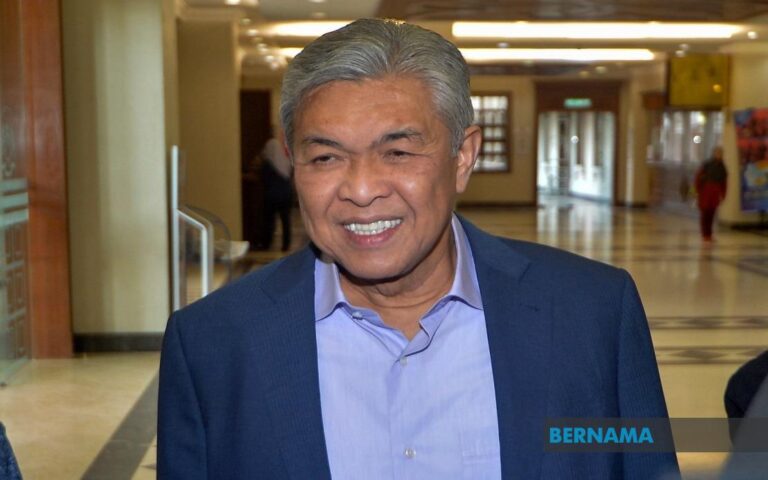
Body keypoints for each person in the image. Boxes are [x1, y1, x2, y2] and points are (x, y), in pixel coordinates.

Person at [158, 19, 679, 479]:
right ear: (294, 164)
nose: (362, 190)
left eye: (399, 152)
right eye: (325, 158)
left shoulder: (592, 313)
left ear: (463, 157)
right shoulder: (213, 343)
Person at [260, 127, 293, 251]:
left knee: (269, 219)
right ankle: (286, 245)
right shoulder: (285, 147)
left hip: (273, 191)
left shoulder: (270, 145)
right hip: (286, 189)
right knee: (285, 220)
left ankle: (266, 244)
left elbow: (263, 161)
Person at [695, 146, 728, 242]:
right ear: (714, 154)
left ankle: (709, 234)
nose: (719, 155)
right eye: (717, 153)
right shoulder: (707, 165)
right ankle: (705, 234)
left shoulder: (722, 167)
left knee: (712, 214)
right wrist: (698, 190)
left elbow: (723, 183)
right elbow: (698, 177)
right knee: (705, 214)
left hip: (715, 194)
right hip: (705, 192)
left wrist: (723, 194)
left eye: (720, 153)